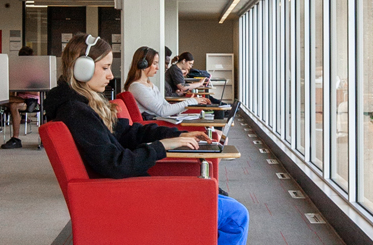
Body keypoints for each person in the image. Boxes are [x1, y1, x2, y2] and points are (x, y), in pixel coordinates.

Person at [44, 33, 249, 245]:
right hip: (131, 197)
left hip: (130, 190)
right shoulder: (76, 112)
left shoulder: (83, 106)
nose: (109, 75)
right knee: (236, 215)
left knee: (225, 201)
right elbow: (116, 164)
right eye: (105, 67)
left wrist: (177, 135)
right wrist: (161, 147)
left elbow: (129, 133)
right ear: (82, 68)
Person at [124, 46, 209, 119]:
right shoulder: (137, 87)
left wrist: (193, 103)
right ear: (143, 64)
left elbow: (167, 107)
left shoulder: (150, 85)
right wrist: (192, 101)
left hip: (160, 122)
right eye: (155, 63)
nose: (157, 68)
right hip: (154, 126)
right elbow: (162, 111)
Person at [0, 46, 41, 149]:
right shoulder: (18, 70)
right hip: (19, 98)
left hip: (31, 100)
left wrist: (21, 86)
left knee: (13, 106)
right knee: (0, 100)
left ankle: (16, 138)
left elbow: (36, 92)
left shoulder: (35, 71)